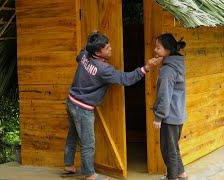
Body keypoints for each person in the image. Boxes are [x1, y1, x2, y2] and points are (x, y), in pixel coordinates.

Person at [63, 32, 162, 180]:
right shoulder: (103, 69)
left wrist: (92, 38)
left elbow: (80, 54)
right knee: (88, 142)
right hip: (82, 109)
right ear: (97, 52)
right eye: (107, 48)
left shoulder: (85, 55)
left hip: (71, 101)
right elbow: (126, 79)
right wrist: (146, 67)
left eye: (109, 45)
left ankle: (69, 165)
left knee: (72, 135)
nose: (111, 49)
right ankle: (89, 174)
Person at [152, 33, 187, 180]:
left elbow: (164, 96)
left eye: (158, 48)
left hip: (169, 116)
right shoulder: (177, 63)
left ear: (167, 50)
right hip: (178, 114)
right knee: (174, 147)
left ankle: (172, 177)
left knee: (168, 149)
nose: (155, 50)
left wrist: (159, 117)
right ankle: (181, 173)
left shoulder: (167, 70)